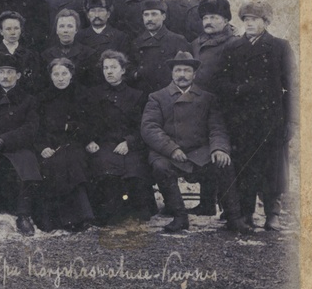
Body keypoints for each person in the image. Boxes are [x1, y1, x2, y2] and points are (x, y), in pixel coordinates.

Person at [141, 51, 251, 234]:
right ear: (172, 73)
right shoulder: (157, 97)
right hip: (168, 151)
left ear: (194, 74)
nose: (182, 75)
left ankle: (234, 218)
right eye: (178, 70)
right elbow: (149, 128)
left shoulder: (207, 98)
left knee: (224, 163)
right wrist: (171, 149)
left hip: (198, 151)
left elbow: (217, 128)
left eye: (187, 70)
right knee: (160, 167)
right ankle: (179, 217)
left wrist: (219, 149)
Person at [216, 2, 298, 231]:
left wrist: (292, 120)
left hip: (272, 119)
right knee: (245, 167)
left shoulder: (280, 47)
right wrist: (239, 90)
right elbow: (220, 81)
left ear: (266, 22)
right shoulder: (232, 47)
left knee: (273, 168)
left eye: (254, 19)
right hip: (241, 121)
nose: (249, 23)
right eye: (246, 19)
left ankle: (273, 214)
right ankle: (247, 214)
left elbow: (293, 86)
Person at [83, 50, 155, 226]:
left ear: (123, 70)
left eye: (113, 67)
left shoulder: (136, 95)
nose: (109, 72)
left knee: (134, 169)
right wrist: (89, 140)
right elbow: (86, 122)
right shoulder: (93, 94)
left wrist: (129, 141)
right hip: (104, 144)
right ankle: (113, 213)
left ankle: (135, 211)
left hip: (129, 144)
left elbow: (142, 126)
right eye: (105, 68)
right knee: (106, 169)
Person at [0, 53, 43, 236]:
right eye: (2, 72)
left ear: (19, 75)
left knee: (26, 166)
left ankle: (23, 215)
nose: (5, 76)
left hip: (17, 146)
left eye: (10, 72)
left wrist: (5, 139)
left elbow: (31, 128)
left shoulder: (28, 100)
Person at [188, 0, 241, 216]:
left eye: (214, 17)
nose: (208, 22)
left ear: (226, 20)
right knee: (204, 152)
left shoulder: (235, 43)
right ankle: (206, 202)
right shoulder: (196, 43)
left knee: (225, 155)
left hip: (227, 107)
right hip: (201, 105)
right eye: (205, 18)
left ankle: (230, 208)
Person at [35, 58, 95, 232]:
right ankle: (57, 220)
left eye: (64, 74)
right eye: (56, 74)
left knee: (73, 162)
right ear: (50, 76)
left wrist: (68, 127)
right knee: (53, 164)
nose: (60, 78)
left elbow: (91, 123)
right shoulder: (42, 98)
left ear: (71, 74)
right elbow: (36, 127)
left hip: (75, 142)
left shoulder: (82, 94)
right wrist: (42, 147)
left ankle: (83, 216)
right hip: (49, 144)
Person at [130, 0, 191, 94]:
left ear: (163, 16)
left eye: (154, 14)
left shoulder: (177, 40)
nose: (149, 19)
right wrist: (136, 74)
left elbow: (186, 69)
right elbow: (129, 68)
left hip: (168, 94)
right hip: (143, 93)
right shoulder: (137, 42)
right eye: (146, 15)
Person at [74, 0, 133, 85]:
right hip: (87, 86)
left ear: (108, 14)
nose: (96, 15)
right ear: (88, 15)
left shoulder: (120, 37)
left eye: (101, 11)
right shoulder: (79, 37)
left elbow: (126, 66)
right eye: (93, 11)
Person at [0, 11, 40, 93]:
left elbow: (33, 84)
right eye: (8, 29)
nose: (13, 33)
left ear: (21, 30)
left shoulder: (30, 55)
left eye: (16, 28)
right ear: (1, 31)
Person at [41, 8, 95, 85]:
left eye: (70, 26)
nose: (65, 30)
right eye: (61, 26)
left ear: (76, 29)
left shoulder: (88, 53)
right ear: (57, 30)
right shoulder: (46, 55)